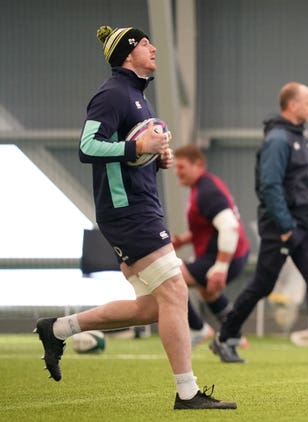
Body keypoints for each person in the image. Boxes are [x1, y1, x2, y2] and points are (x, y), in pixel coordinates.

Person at [34, 25, 236, 410]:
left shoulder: (137, 97)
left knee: (151, 307)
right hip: (127, 212)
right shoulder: (112, 93)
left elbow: (129, 153)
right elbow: (87, 146)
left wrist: (156, 158)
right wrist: (137, 145)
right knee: (176, 291)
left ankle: (58, 329)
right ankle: (187, 393)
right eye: (145, 43)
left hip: (140, 207)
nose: (153, 48)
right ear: (127, 53)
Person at [211, 82, 308, 364]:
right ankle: (224, 337)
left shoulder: (297, 137)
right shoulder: (278, 139)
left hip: (307, 226)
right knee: (262, 284)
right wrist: (285, 227)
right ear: (292, 105)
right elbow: (269, 186)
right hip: (284, 229)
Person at [171, 144, 250, 349]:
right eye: (175, 167)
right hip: (232, 252)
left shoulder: (206, 192)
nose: (176, 171)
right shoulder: (204, 185)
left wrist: (220, 267)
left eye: (181, 166)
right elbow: (209, 227)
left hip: (224, 255)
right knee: (208, 292)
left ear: (198, 165)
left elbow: (229, 227)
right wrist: (182, 241)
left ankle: (198, 328)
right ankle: (235, 335)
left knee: (167, 276)